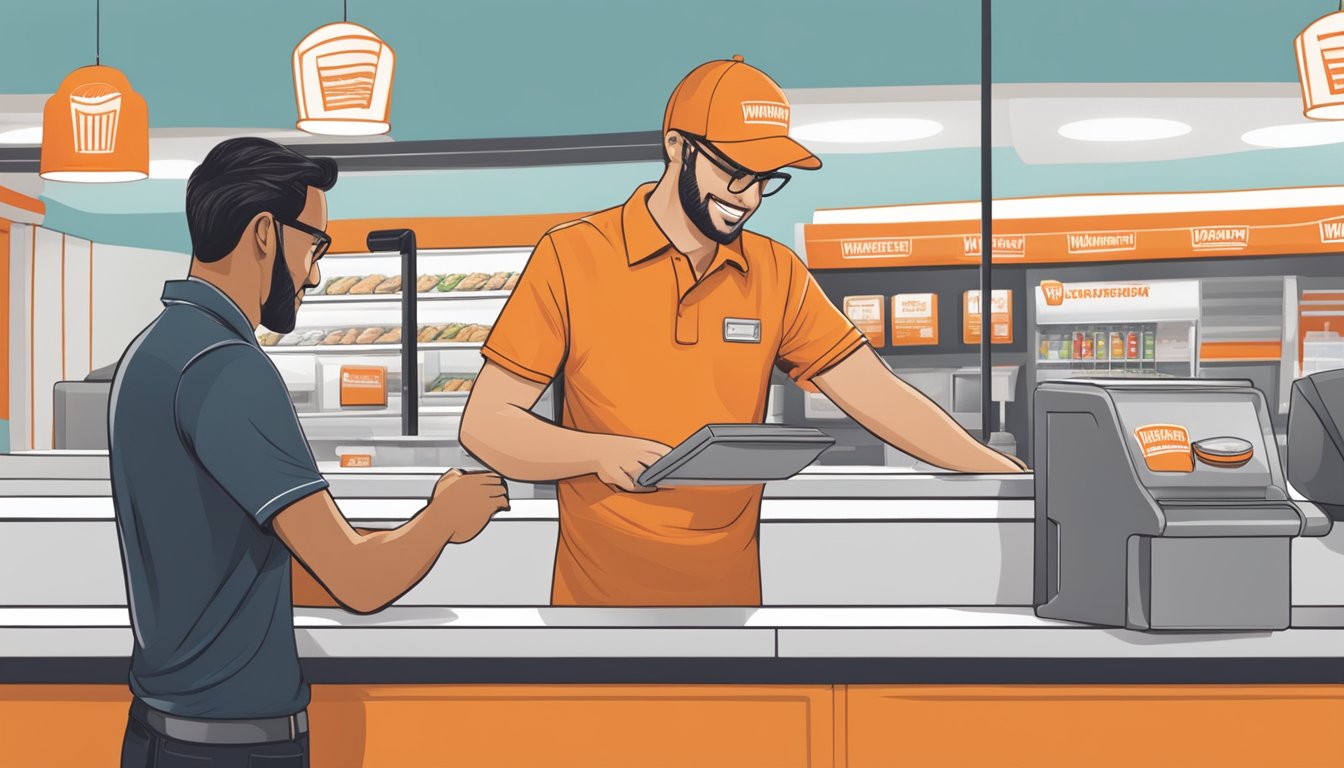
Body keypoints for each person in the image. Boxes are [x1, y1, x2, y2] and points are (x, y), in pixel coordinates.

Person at [460, 56, 1025, 608]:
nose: (747, 198)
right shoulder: (573, 256)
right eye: (733, 172)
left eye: (764, 180)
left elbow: (876, 393)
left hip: (732, 607)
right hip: (600, 607)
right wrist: (597, 452)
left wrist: (1011, 477)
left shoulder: (775, 273)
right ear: (676, 146)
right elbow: (487, 425)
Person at [109, 137, 509, 767]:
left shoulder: (151, 351)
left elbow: (246, 556)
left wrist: (370, 539)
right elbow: (357, 581)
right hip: (232, 747)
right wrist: (443, 519)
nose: (316, 272)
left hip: (160, 735)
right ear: (265, 233)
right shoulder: (228, 369)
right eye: (314, 244)